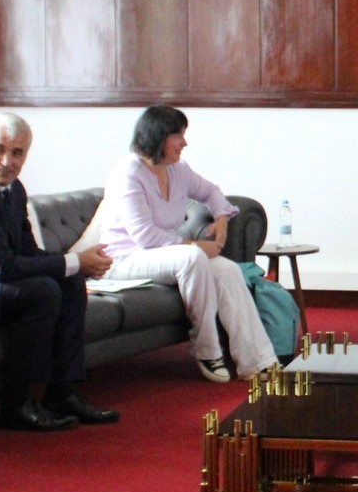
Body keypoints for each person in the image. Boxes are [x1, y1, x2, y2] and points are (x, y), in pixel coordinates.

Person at [0, 112, 118, 432]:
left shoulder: (13, 191)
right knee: (42, 291)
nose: (6, 161)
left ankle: (63, 394)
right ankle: (15, 404)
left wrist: (76, 267)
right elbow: (3, 267)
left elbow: (28, 253)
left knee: (69, 284)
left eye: (17, 153)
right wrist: (74, 260)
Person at [91, 106, 275, 383]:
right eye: (178, 135)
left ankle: (258, 362)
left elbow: (211, 191)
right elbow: (145, 236)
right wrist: (197, 245)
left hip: (163, 255)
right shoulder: (128, 174)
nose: (184, 143)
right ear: (158, 137)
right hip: (122, 259)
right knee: (191, 258)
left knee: (227, 269)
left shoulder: (178, 170)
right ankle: (207, 351)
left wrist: (222, 219)